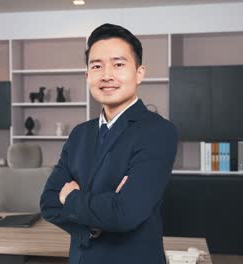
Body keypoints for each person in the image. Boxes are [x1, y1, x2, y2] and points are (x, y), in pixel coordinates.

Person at [40, 23, 178, 264]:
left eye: (118, 64)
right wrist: (94, 225)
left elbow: (125, 213)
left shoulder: (158, 132)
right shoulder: (79, 134)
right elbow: (49, 203)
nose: (106, 75)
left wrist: (71, 198)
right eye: (96, 66)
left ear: (139, 72)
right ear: (87, 75)